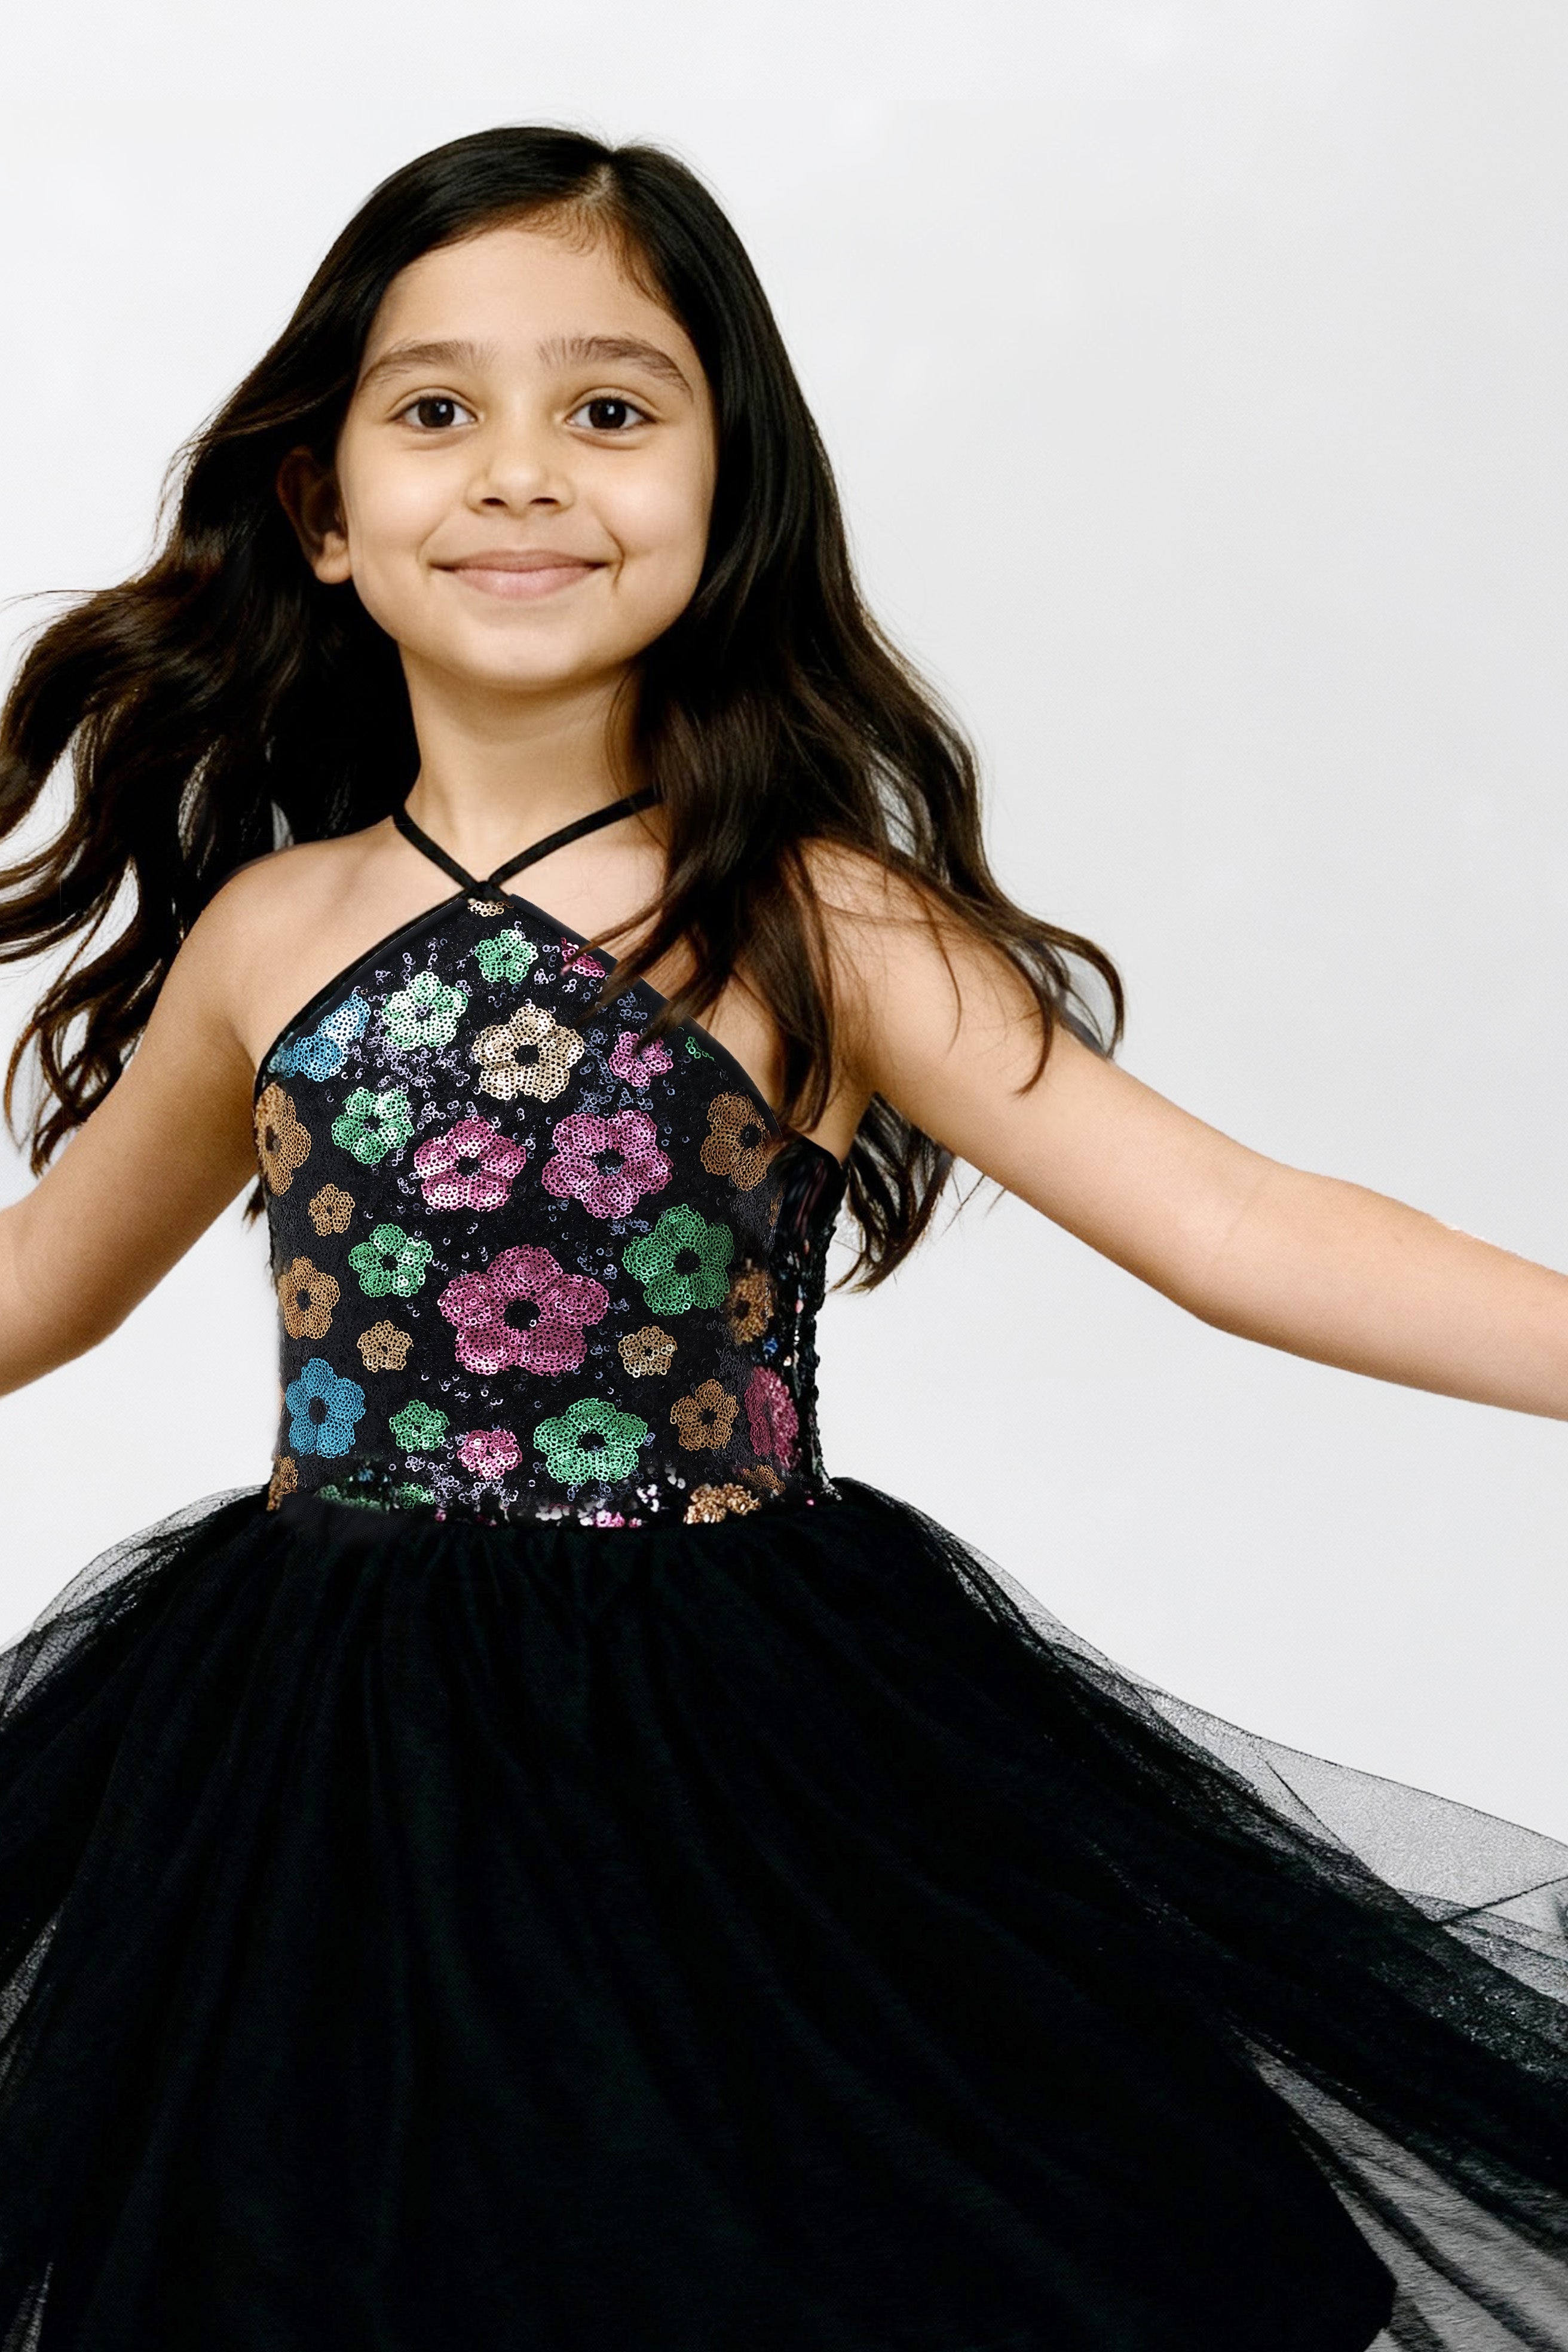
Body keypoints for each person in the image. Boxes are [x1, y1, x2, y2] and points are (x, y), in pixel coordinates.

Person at [0, 123, 1565, 2352]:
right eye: (437, 409)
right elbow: (37, 1291)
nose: (523, 471)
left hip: (742, 1772)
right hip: (317, 1792)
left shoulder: (814, 916)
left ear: (731, 506)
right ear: (322, 514)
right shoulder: (273, 933)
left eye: (612, 410)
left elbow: (1231, 1222)